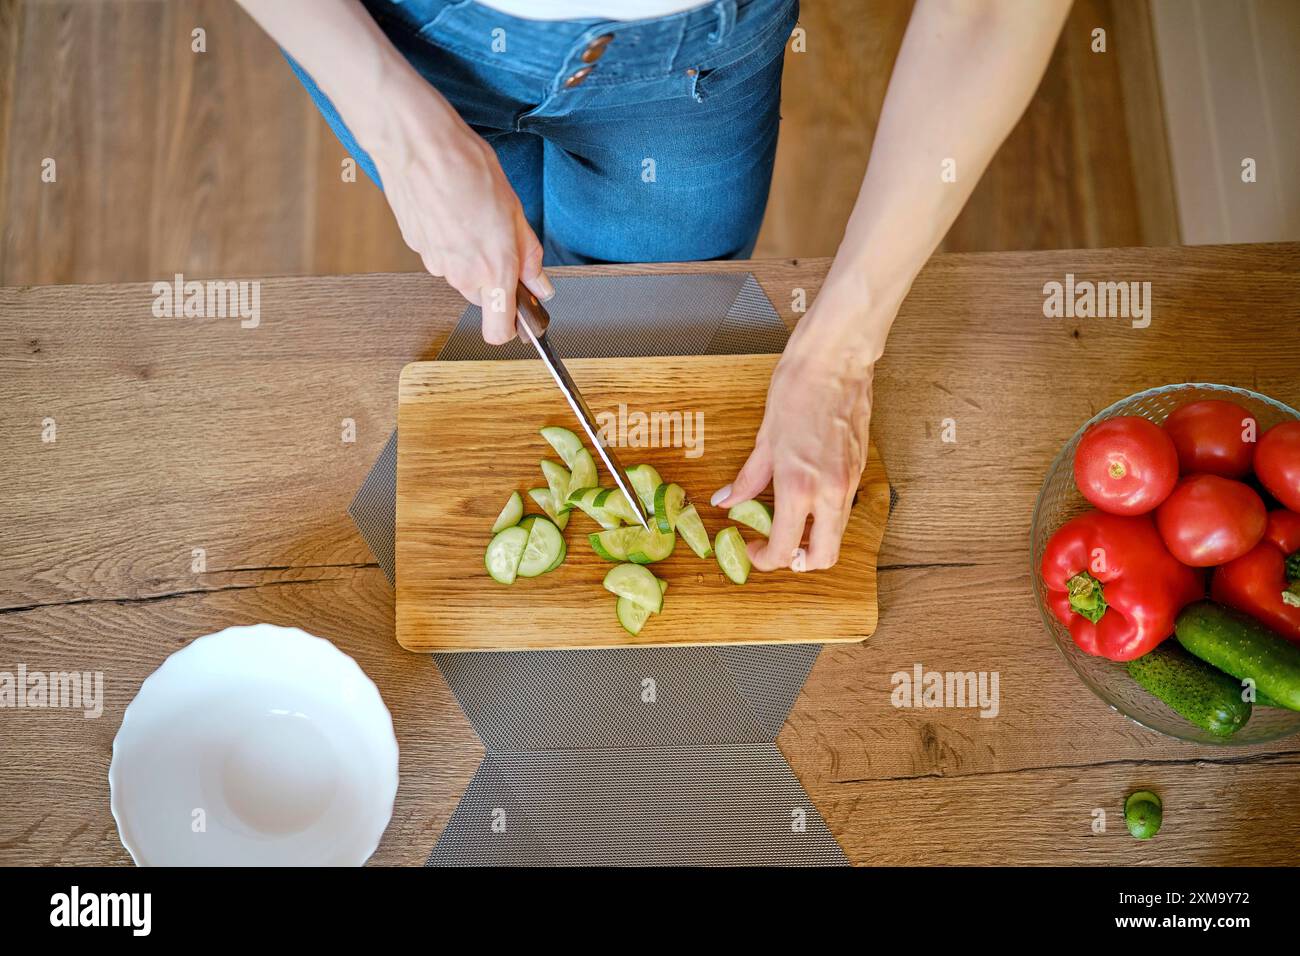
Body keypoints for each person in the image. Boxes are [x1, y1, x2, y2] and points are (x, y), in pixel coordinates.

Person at [238, 0, 1071, 571]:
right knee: (501, 284)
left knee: (639, 330)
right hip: (395, 32)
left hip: (695, 61)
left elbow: (991, 13)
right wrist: (401, 132)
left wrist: (841, 357)